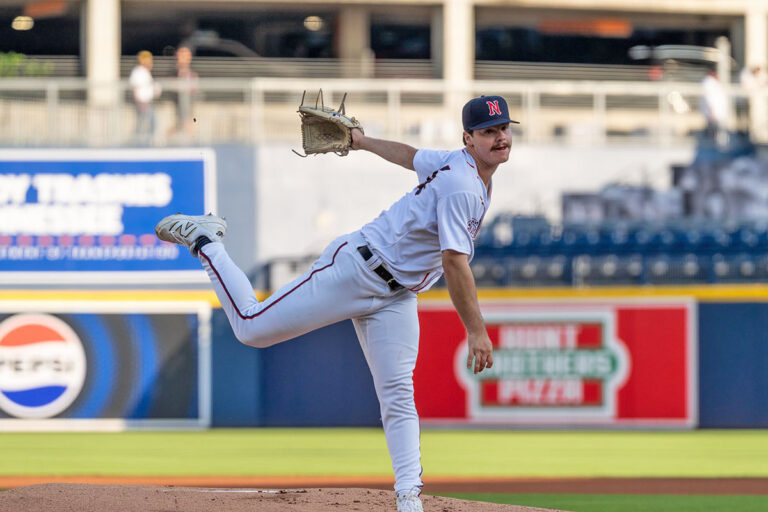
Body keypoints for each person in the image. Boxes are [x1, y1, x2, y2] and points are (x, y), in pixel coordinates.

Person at [154, 95, 515, 512]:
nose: (500, 137)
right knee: (251, 327)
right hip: (357, 269)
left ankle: (409, 497)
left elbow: (413, 156)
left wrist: (361, 141)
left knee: (397, 392)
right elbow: (455, 263)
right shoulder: (463, 185)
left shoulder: (461, 164)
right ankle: (206, 240)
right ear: (469, 139)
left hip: (396, 295)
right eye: (489, 131)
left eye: (504, 128)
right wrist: (476, 331)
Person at [129, 50, 161, 145]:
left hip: (146, 102)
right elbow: (135, 87)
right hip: (142, 102)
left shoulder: (145, 72)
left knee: (149, 122)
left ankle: (145, 142)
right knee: (144, 123)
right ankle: (137, 143)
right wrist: (139, 103)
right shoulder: (138, 71)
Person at [172, 46, 198, 138]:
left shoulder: (192, 74)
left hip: (189, 105)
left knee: (190, 124)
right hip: (178, 106)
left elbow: (195, 89)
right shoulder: (175, 73)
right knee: (179, 126)